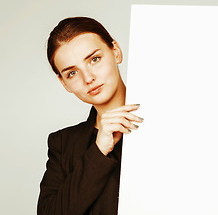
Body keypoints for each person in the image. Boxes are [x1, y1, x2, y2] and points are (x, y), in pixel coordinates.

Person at [37, 17, 143, 215]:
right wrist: (98, 151)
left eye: (94, 59)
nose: (88, 78)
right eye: (72, 73)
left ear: (116, 51)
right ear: (63, 83)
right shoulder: (63, 143)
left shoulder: (169, 119)